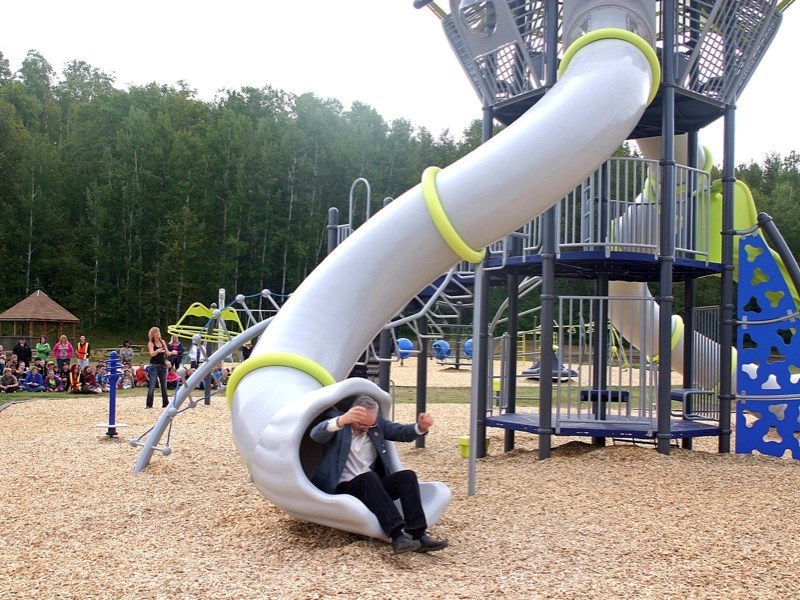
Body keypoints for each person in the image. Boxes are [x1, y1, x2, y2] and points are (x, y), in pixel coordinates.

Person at [309, 394, 448, 555]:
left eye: (370, 424)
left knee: (407, 477)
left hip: (371, 486)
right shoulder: (338, 421)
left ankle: (418, 534)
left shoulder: (376, 425)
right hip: (344, 487)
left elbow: (401, 432)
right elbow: (316, 435)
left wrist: (421, 427)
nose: (366, 429)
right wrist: (341, 421)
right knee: (369, 478)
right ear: (351, 415)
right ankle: (397, 536)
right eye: (361, 424)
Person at [145, 326, 176, 409]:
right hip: (154, 366)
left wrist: (172, 352)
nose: (158, 333)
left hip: (162, 365)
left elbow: (167, 352)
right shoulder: (151, 343)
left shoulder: (162, 341)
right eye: (156, 332)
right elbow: (151, 353)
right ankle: (149, 404)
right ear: (153, 334)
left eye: (159, 332)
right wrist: (157, 351)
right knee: (152, 386)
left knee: (164, 386)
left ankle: (165, 404)